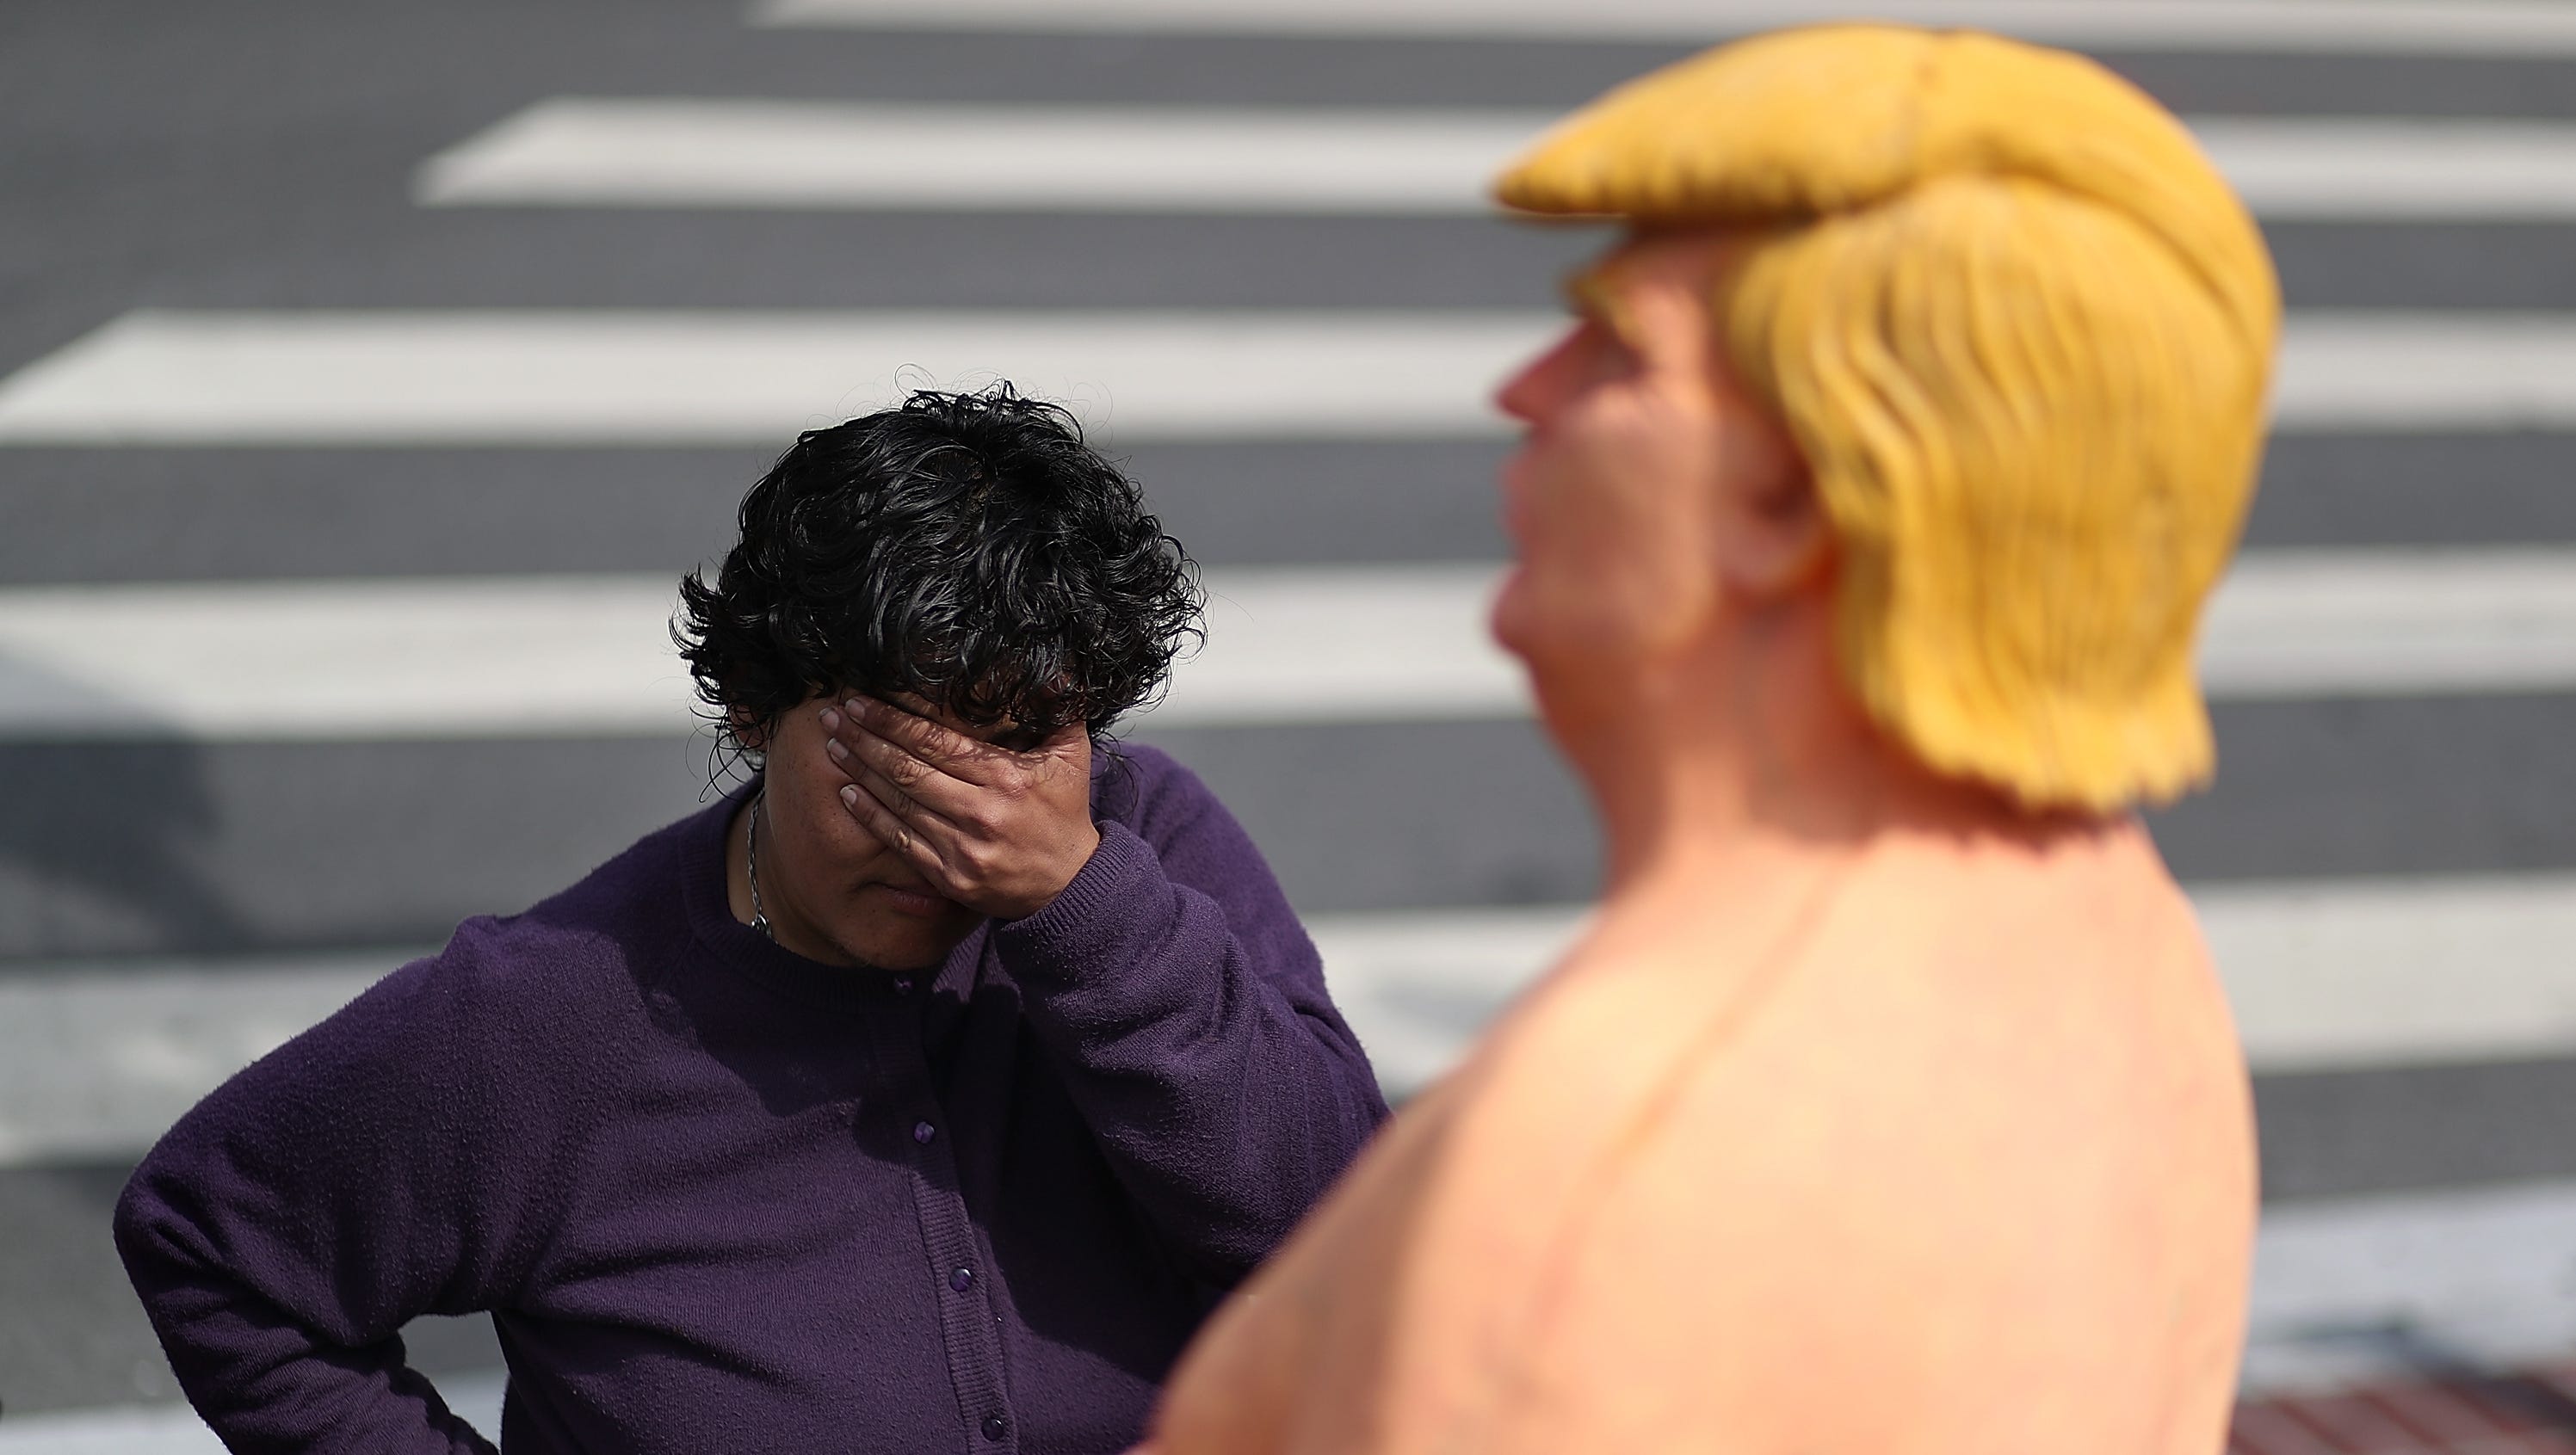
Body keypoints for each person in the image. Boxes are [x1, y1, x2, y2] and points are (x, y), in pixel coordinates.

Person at [1144, 24, 2275, 1455]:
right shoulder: (2122, 923)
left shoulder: (1596, 1160)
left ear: (1795, 494)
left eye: (1618, 350)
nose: (1527, 390)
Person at [114, 386, 1390, 1454]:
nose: (954, 833)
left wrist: (1085, 910)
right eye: (890, 761)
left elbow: (1350, 1243)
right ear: (751, 707)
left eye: (1014, 746)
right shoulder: (546, 1015)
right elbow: (212, 1243)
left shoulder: (1143, 853)